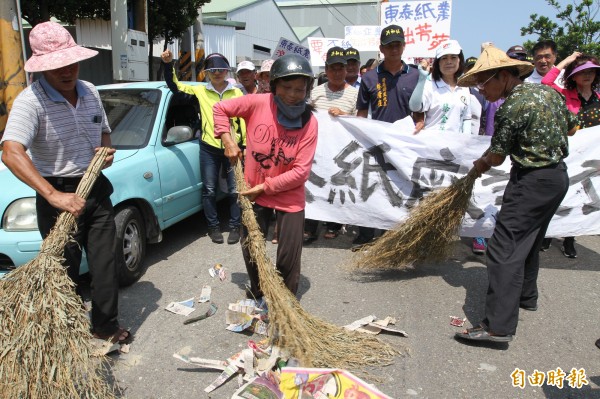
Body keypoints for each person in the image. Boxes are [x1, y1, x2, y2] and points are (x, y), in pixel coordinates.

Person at [0, 22, 130, 344]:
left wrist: (106, 152)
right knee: (65, 272)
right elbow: (10, 152)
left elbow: (103, 133)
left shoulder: (90, 91)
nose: (66, 71)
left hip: (94, 189)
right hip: (56, 195)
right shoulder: (30, 102)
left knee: (104, 264)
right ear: (42, 67)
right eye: (56, 65)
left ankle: (104, 326)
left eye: (70, 62)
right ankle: (69, 333)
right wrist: (53, 195)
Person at [454, 46, 578, 343]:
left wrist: (479, 165)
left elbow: (496, 157)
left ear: (505, 76)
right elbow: (572, 129)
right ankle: (526, 296)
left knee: (503, 249)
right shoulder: (550, 93)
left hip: (531, 182)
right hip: (557, 179)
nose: (482, 90)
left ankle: (497, 327)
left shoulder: (512, 107)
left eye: (484, 82)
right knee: (531, 239)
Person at [213, 54, 318, 298]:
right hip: (253, 191)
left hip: (287, 195)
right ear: (274, 85)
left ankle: (285, 301)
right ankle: (259, 290)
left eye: (300, 89)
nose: (293, 94)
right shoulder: (258, 103)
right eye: (287, 87)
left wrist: (266, 187)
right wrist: (227, 139)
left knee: (288, 256)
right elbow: (219, 109)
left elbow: (301, 172)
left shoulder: (309, 122)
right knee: (252, 248)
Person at [161, 50, 246, 244]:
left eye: (221, 69)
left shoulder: (237, 92)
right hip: (209, 147)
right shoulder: (200, 91)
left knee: (235, 188)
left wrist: (245, 145)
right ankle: (213, 227)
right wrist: (168, 65)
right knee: (209, 189)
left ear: (227, 71)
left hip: (233, 147)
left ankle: (235, 226)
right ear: (207, 72)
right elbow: (175, 87)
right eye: (213, 70)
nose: (217, 73)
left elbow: (244, 120)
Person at [353, 24, 419, 250]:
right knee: (373, 188)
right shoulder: (370, 78)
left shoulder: (417, 76)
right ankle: (365, 235)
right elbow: (361, 112)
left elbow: (421, 113)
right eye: (389, 45)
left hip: (406, 145)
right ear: (381, 48)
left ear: (404, 46)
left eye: (397, 44)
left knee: (402, 189)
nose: (394, 49)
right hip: (377, 143)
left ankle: (397, 238)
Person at [541, 52, 600, 258]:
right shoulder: (565, 95)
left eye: (592, 72)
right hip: (568, 154)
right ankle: (548, 234)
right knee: (559, 195)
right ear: (573, 75)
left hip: (591, 158)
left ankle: (570, 239)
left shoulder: (599, 98)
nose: (588, 76)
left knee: (581, 197)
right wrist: (567, 61)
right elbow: (546, 82)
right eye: (582, 72)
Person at [304, 46, 358, 243]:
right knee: (313, 187)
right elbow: (306, 116)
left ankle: (334, 226)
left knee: (336, 187)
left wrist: (345, 116)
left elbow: (361, 122)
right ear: (326, 70)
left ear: (346, 70)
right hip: (316, 150)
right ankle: (309, 227)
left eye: (341, 68)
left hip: (341, 152)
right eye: (333, 68)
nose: (337, 72)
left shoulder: (354, 93)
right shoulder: (315, 92)